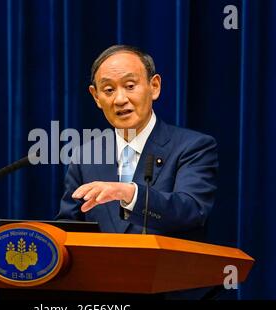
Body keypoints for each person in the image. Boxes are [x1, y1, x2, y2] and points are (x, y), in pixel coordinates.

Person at [56, 45, 218, 242]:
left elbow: (192, 211)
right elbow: (69, 230)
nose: (120, 99)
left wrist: (130, 194)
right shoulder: (86, 156)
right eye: (108, 90)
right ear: (96, 97)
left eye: (130, 86)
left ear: (155, 86)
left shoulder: (193, 147)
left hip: (167, 271)